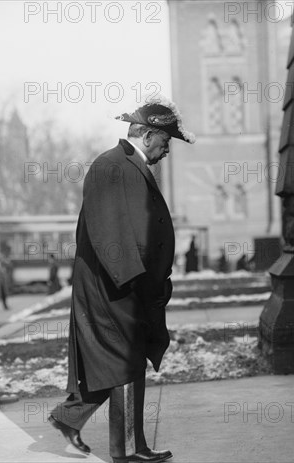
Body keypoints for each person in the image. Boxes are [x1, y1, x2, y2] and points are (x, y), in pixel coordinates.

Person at [48, 97, 194, 463]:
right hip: (116, 286)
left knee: (122, 362)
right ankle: (129, 450)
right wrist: (138, 285)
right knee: (125, 360)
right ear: (146, 135)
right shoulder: (112, 166)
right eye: (165, 141)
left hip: (124, 285)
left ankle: (75, 420)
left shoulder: (124, 165)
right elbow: (111, 234)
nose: (167, 149)